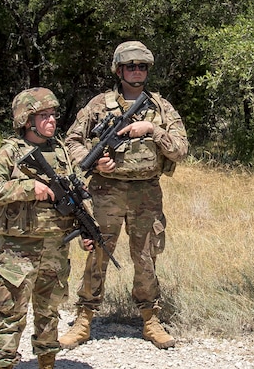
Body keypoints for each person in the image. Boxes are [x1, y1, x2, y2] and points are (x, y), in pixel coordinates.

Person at [60, 40, 189, 350]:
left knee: (146, 257)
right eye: (130, 66)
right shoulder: (98, 105)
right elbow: (71, 142)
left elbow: (181, 150)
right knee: (98, 253)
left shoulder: (160, 107)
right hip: (106, 192)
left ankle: (150, 319)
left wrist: (152, 130)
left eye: (142, 66)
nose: (136, 71)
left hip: (147, 193)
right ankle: (84, 318)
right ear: (118, 70)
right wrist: (92, 159)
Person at [0, 88, 93, 369]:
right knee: (10, 314)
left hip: (55, 246)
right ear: (26, 120)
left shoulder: (61, 152)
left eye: (53, 114)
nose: (52, 120)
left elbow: (77, 192)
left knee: (49, 310)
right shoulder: (9, 152)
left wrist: (88, 229)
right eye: (44, 116)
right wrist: (31, 188)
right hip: (18, 249)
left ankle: (47, 368)